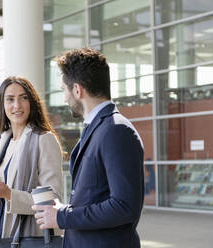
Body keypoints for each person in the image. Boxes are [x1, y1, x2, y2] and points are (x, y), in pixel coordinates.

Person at [32, 48, 144, 248]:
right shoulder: (101, 128)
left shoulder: (116, 130)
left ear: (77, 89)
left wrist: (63, 216)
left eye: (64, 90)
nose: (64, 98)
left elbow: (124, 206)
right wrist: (62, 210)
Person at [0, 76, 63, 248]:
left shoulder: (44, 139)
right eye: (10, 99)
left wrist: (9, 195)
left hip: (29, 237)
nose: (17, 106)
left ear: (31, 102)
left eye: (23, 98)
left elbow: (52, 198)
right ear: (2, 105)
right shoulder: (2, 143)